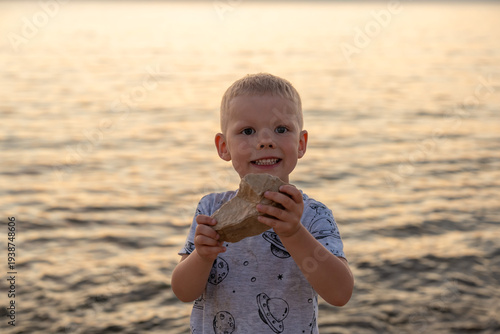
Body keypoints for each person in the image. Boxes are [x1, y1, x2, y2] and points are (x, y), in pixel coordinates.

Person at [171, 73, 353, 333]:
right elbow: (183, 291)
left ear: (301, 144)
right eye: (247, 131)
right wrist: (201, 256)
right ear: (224, 147)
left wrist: (294, 233)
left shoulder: (313, 215)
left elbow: (340, 293)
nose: (265, 140)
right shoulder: (212, 211)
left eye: (281, 129)